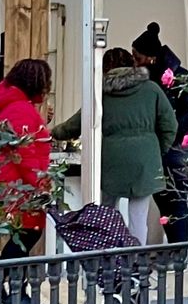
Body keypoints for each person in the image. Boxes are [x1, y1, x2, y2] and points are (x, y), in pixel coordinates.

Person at [57, 48, 177, 245]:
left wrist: (51, 132)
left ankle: (110, 256)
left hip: (111, 160)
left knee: (107, 212)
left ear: (105, 69)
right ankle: (136, 262)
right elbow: (170, 126)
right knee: (138, 216)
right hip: (145, 161)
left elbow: (75, 125)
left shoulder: (100, 94)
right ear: (133, 65)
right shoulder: (152, 89)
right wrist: (157, 151)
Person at [0, 57, 53, 304]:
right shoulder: (21, 109)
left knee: (22, 233)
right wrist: (41, 184)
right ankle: (5, 284)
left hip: (6, 179)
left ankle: (2, 283)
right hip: (19, 183)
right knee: (28, 232)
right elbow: (26, 154)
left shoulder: (12, 106)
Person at [132, 22, 188, 243]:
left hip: (178, 148)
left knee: (177, 201)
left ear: (150, 58)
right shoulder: (148, 79)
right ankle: (173, 249)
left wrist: (171, 133)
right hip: (157, 148)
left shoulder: (179, 76)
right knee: (163, 200)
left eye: (137, 57)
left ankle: (178, 251)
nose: (134, 62)